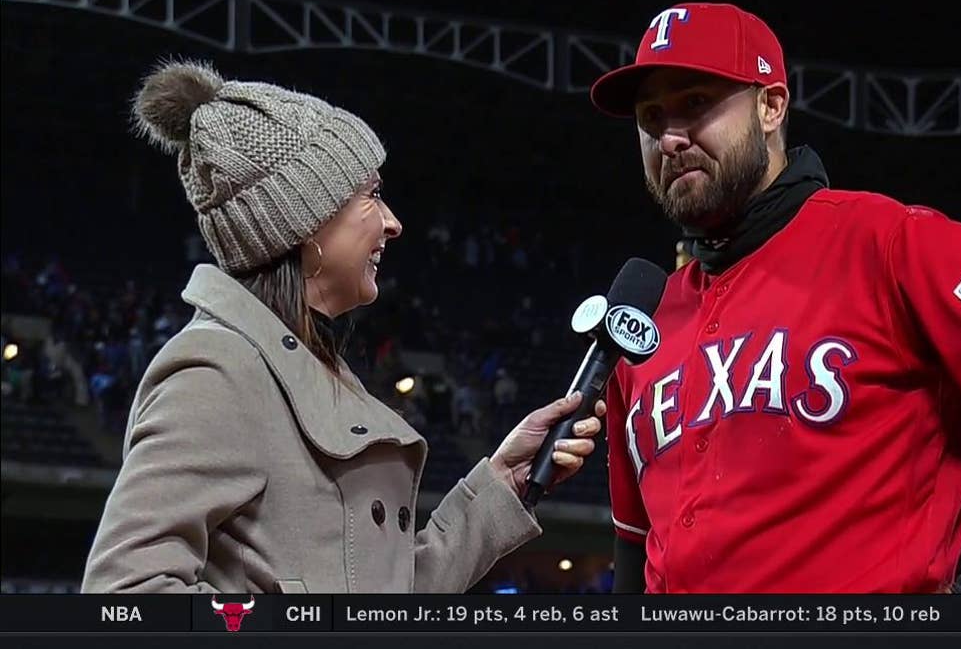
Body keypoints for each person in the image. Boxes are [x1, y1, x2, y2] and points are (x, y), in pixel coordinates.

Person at [589, 3, 961, 593]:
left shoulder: (894, 244)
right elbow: (636, 544)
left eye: (695, 103)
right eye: (650, 118)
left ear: (771, 106)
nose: (670, 137)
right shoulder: (645, 323)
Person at [82, 60, 604, 593]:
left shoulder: (309, 370)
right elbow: (124, 592)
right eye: (371, 194)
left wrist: (502, 484)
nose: (393, 222)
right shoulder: (217, 372)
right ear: (305, 221)